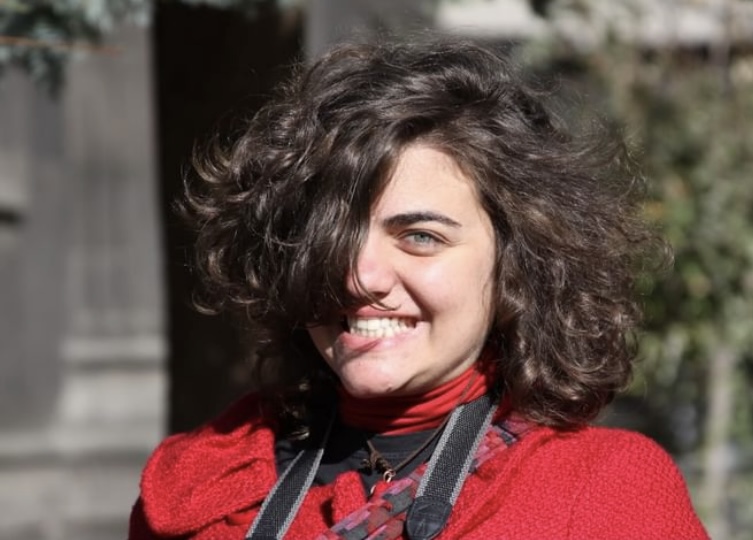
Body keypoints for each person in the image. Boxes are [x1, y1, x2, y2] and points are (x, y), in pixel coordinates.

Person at [129, 36, 709, 540]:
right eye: (328, 237)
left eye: (420, 237)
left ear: (518, 265)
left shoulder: (603, 495)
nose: (358, 276)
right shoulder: (201, 489)